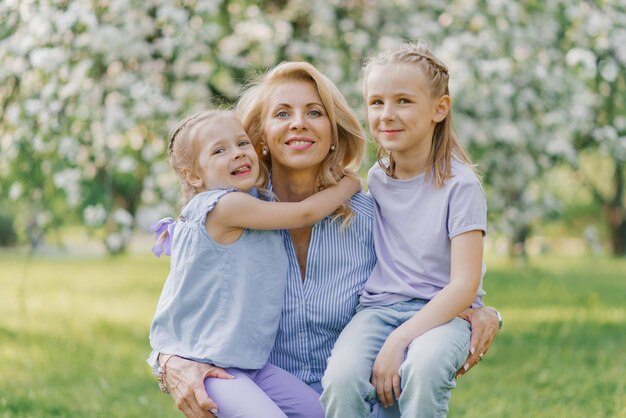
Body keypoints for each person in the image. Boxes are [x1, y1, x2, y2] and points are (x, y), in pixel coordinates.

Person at [151, 61, 502, 418]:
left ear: (334, 133)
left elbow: (424, 279)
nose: (298, 122)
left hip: (361, 405)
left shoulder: (372, 215)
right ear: (260, 138)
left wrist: (482, 310)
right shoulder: (229, 220)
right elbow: (181, 310)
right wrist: (169, 363)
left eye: (314, 112)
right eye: (282, 113)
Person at [148, 109, 361, 418]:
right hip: (209, 364)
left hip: (249, 363)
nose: (237, 154)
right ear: (194, 175)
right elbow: (304, 214)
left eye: (242, 143)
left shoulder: (251, 199)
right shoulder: (224, 206)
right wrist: (350, 183)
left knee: (320, 412)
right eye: (219, 150)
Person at [320, 42, 489, 418]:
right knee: (342, 381)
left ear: (439, 109)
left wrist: (400, 339)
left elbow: (464, 284)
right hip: (378, 309)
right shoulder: (377, 178)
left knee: (424, 371)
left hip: (443, 314)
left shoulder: (460, 186)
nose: (387, 114)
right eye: (376, 102)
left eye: (403, 101)